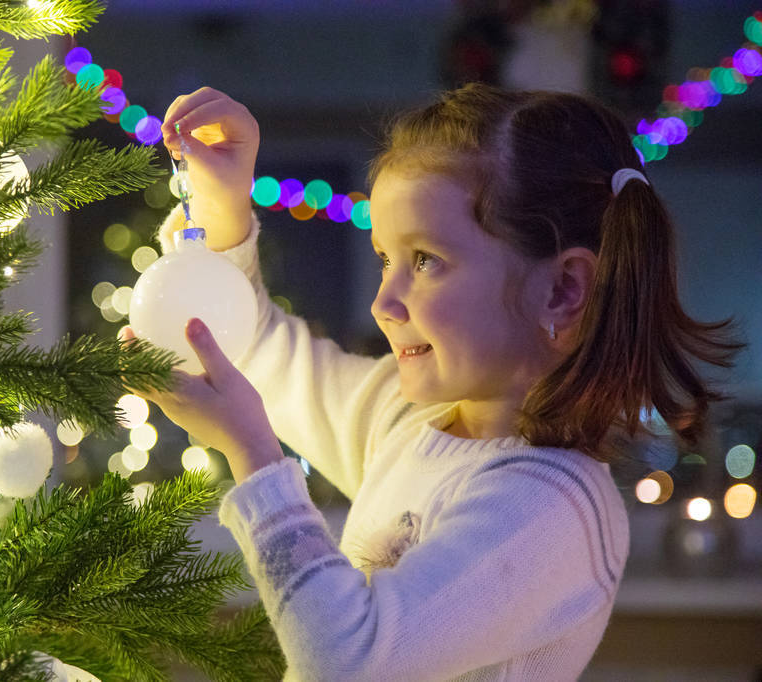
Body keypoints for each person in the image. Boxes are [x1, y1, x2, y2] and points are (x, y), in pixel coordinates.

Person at [120, 83, 746, 681]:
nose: (383, 302)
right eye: (386, 259)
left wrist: (253, 457)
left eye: (425, 261)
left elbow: (348, 662)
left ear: (563, 289)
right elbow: (258, 351)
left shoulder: (550, 509)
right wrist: (221, 204)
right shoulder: (406, 419)